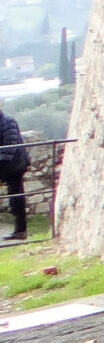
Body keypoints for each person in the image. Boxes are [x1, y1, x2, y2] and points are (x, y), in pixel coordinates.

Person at [0, 102, 27, 242]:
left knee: (16, 198)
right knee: (15, 197)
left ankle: (21, 230)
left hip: (14, 166)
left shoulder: (8, 122)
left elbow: (9, 149)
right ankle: (20, 230)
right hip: (8, 166)